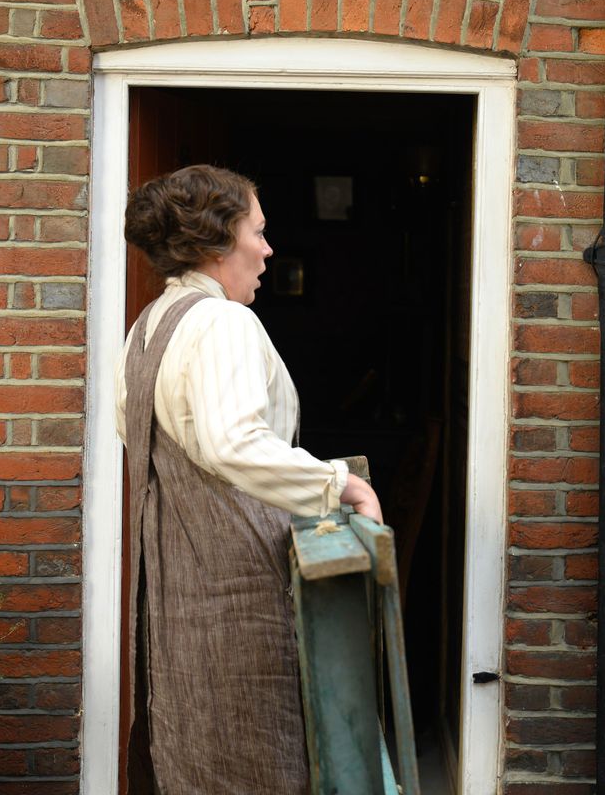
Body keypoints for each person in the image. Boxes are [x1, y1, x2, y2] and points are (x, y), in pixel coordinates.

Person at [116, 165, 382, 793]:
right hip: (237, 591)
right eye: (257, 233)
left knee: (191, 754)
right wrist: (342, 484)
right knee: (255, 758)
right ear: (215, 242)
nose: (267, 250)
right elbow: (233, 442)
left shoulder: (147, 327)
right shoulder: (222, 324)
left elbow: (143, 448)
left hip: (173, 593)